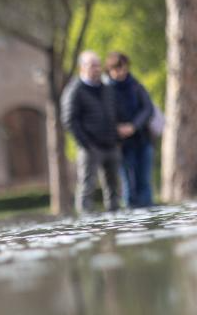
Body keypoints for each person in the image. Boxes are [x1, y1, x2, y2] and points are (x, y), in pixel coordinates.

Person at [61, 50, 121, 213]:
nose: (96, 69)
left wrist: (116, 138)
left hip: (110, 145)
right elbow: (69, 120)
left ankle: (115, 219)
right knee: (87, 186)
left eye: (98, 65)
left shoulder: (107, 88)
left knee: (114, 187)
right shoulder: (74, 90)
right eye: (92, 65)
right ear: (82, 67)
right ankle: (86, 222)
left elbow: (114, 112)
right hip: (90, 147)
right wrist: (86, 144)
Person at [105, 52, 155, 208]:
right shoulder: (106, 90)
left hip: (142, 139)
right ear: (110, 70)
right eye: (117, 69)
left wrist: (134, 126)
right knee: (128, 182)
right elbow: (105, 114)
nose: (121, 73)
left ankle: (147, 212)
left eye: (123, 68)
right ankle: (130, 214)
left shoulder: (135, 85)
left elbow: (148, 108)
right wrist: (118, 128)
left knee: (144, 180)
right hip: (121, 144)